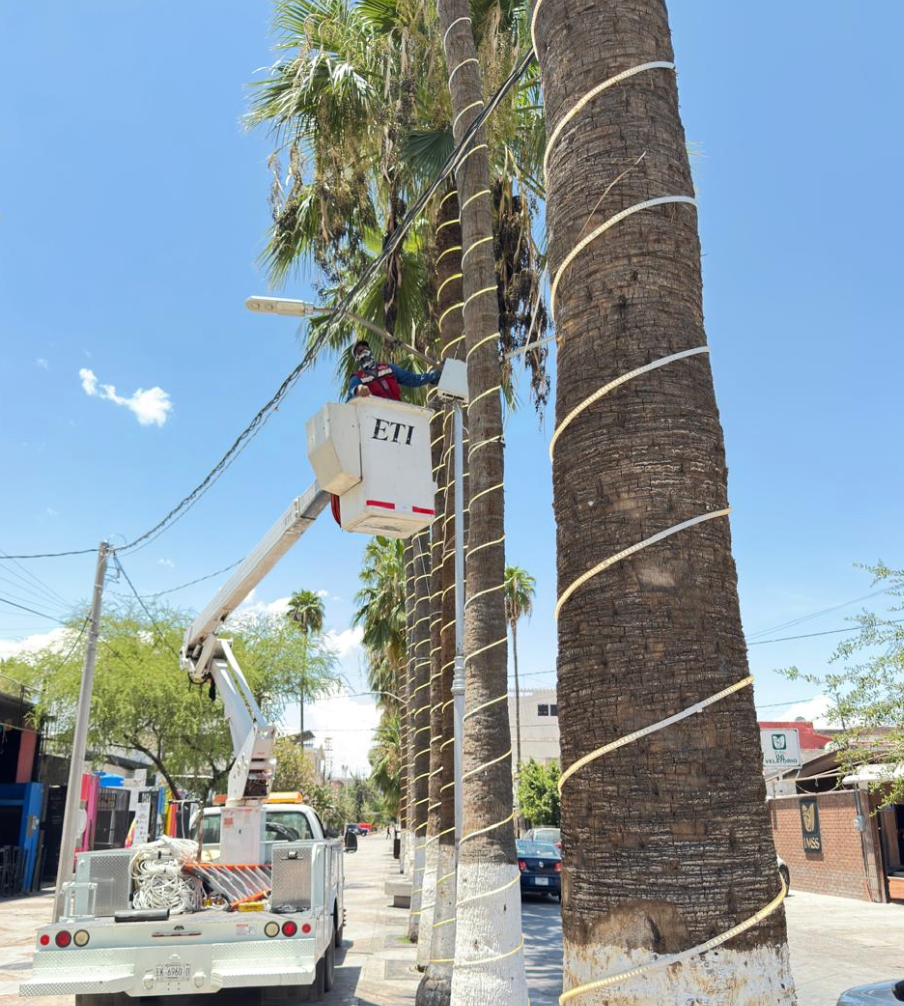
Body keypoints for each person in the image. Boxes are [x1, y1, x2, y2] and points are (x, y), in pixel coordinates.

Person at [346, 340, 440, 402]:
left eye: (365, 349)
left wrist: (432, 376)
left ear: (370, 351)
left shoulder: (389, 368)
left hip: (396, 410)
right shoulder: (357, 377)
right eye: (359, 352)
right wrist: (358, 389)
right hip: (374, 415)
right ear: (357, 359)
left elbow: (413, 379)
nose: (363, 353)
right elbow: (352, 390)